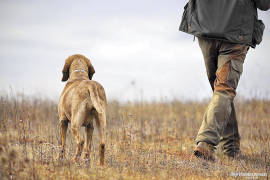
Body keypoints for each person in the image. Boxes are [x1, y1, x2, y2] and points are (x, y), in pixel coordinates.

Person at [179, 0, 270, 160]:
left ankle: (230, 148)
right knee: (223, 90)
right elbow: (264, 3)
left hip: (205, 27)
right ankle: (208, 144)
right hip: (235, 33)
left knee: (220, 91)